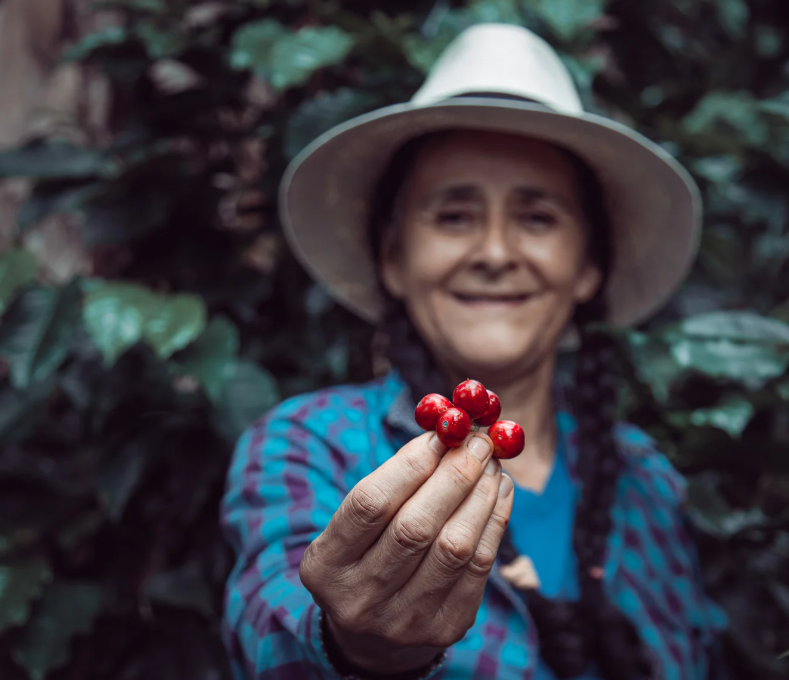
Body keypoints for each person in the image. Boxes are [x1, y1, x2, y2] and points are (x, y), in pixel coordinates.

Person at [220, 22, 728, 680]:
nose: (493, 253)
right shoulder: (312, 442)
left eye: (537, 218)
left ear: (587, 267)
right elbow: (269, 628)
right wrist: (358, 647)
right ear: (394, 259)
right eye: (454, 216)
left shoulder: (646, 478)